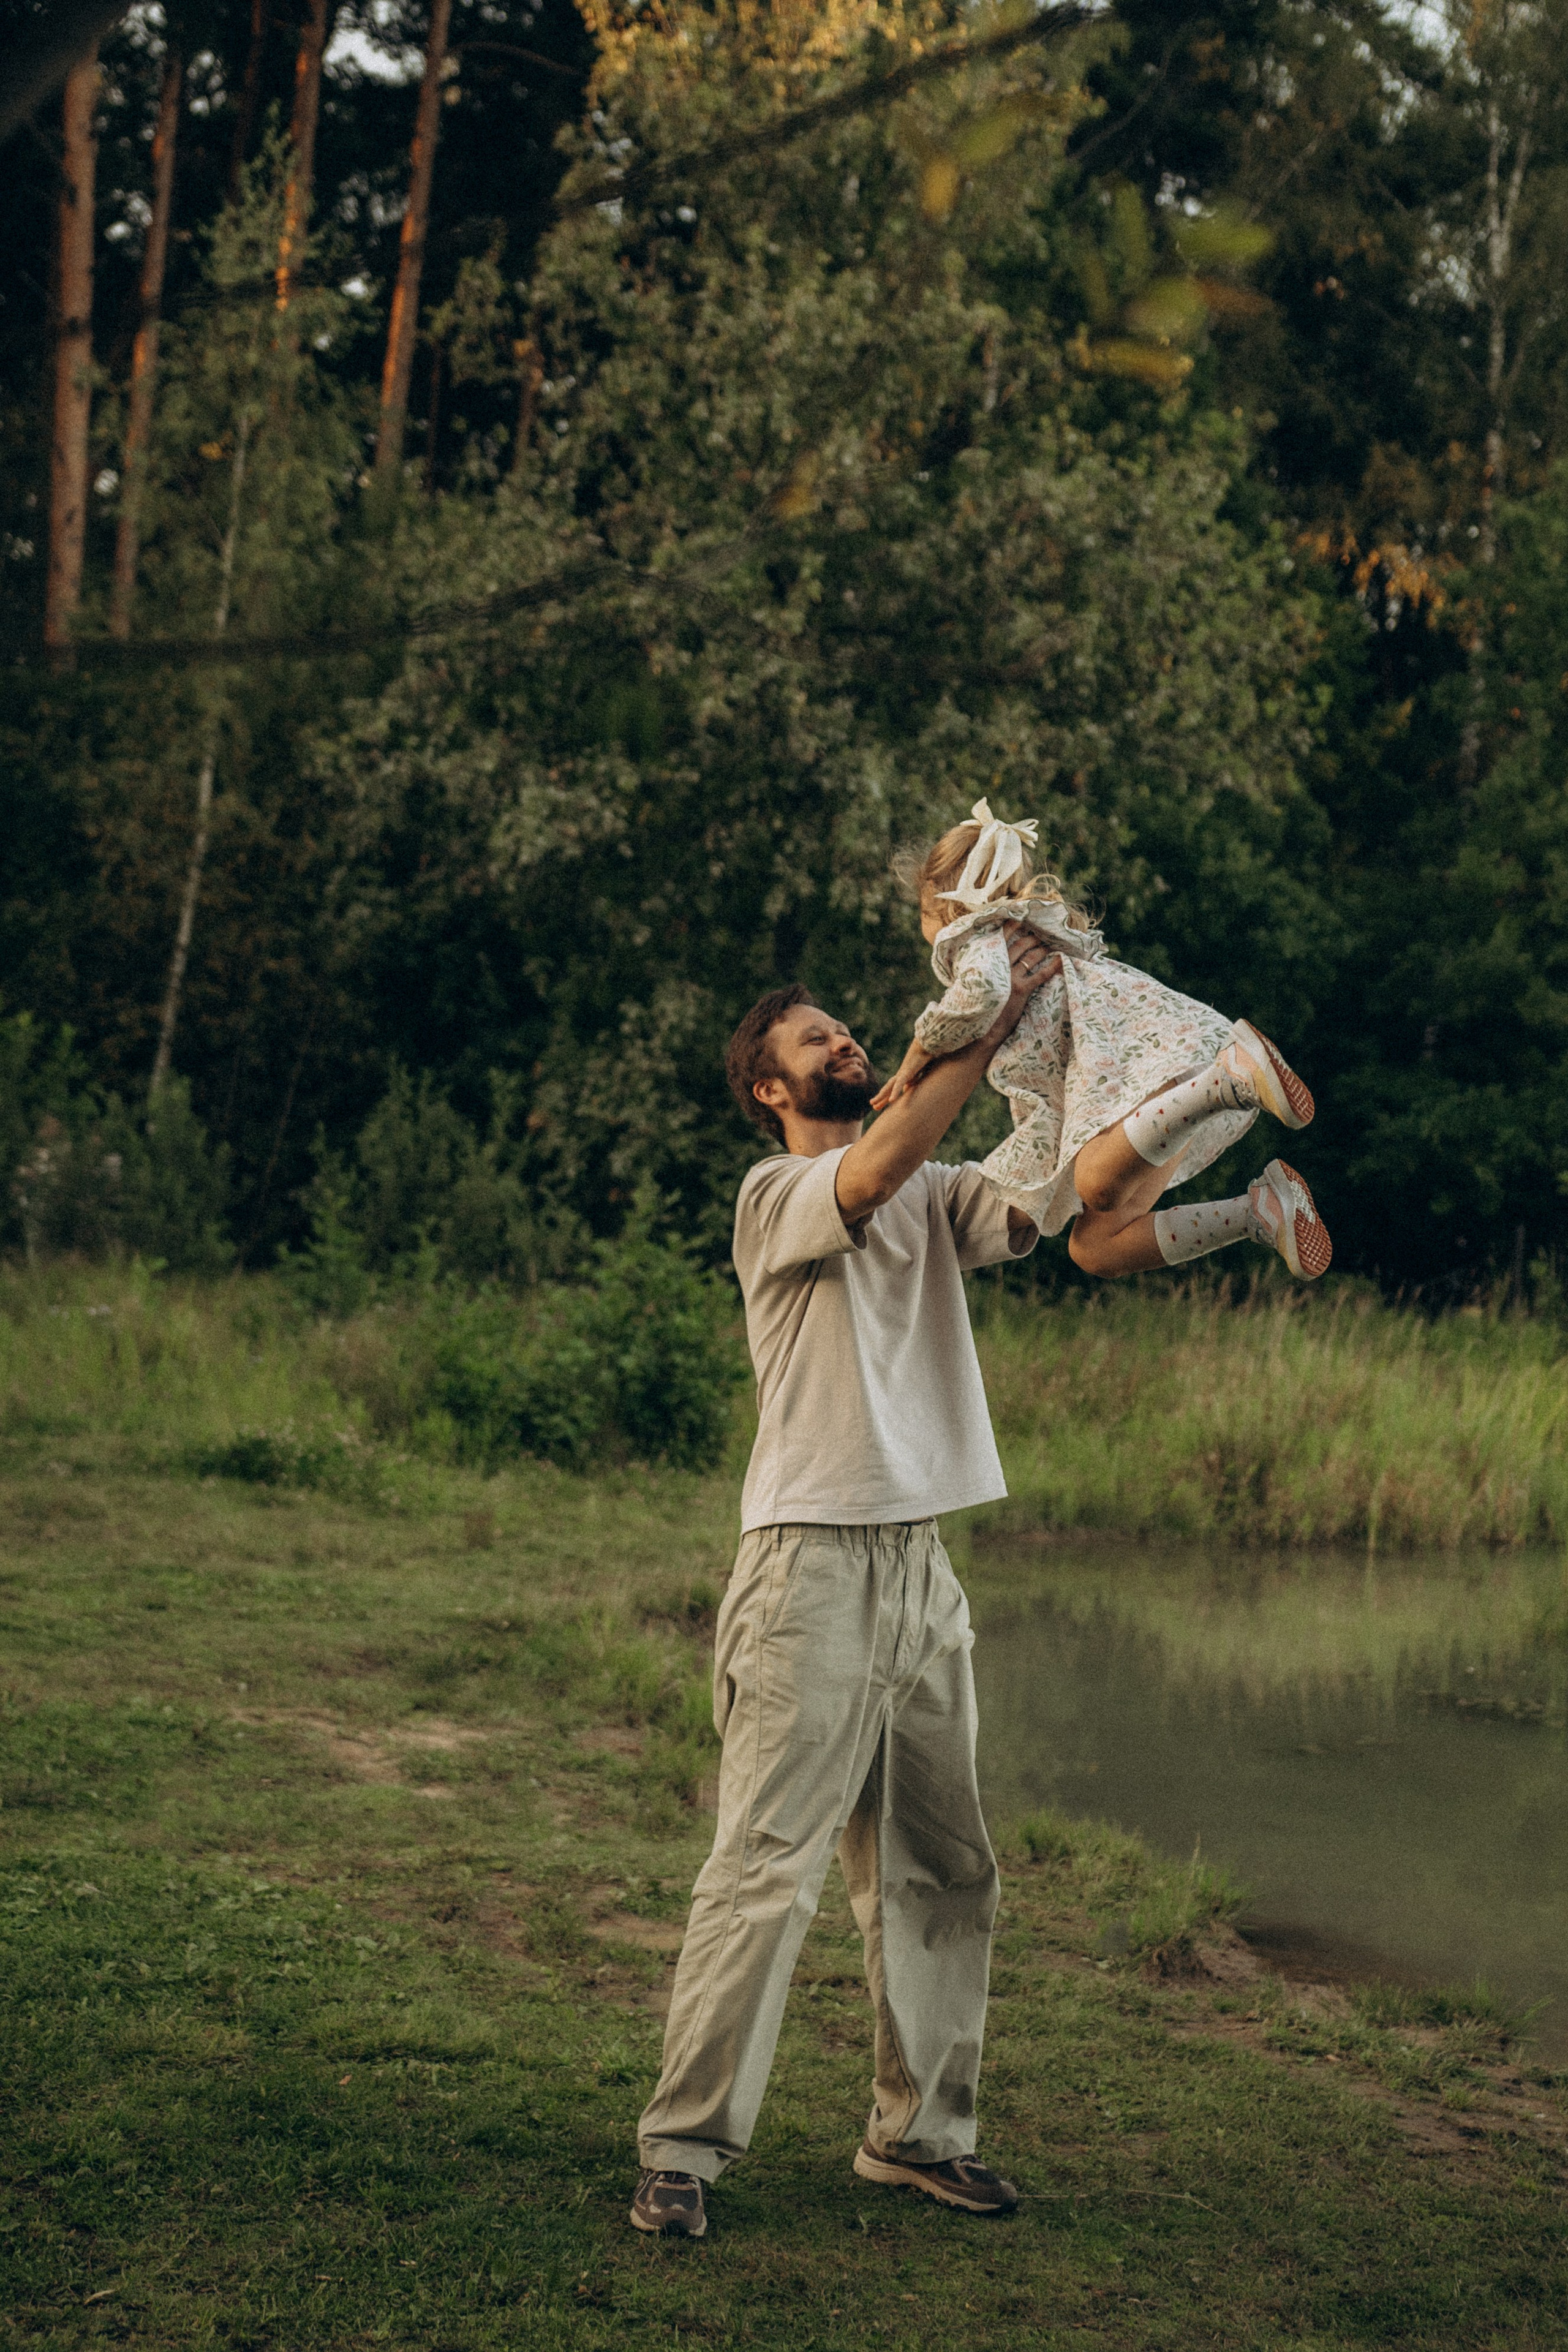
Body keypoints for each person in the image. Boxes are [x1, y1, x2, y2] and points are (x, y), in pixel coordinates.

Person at [630, 931, 1055, 2240]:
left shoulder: (931, 1193)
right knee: (767, 1867)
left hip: (920, 1567)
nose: (844, 1041)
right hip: (806, 1567)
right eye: (814, 1039)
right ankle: (683, 2152)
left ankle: (917, 2138)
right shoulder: (779, 1191)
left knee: (944, 1867)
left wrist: (1065, 1030)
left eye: (847, 1029)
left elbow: (1043, 1195)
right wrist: (981, 1026)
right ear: (769, 1087)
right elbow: (873, 1167)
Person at [872, 800, 1332, 1282]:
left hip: (1148, 1066)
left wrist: (921, 1049)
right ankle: (1262, 1211)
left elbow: (983, 989)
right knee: (1096, 1249)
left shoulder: (978, 935)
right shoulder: (1027, 928)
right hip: (1164, 1085)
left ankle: (1229, 1080)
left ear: (944, 905)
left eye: (921, 911)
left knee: (1095, 1181)